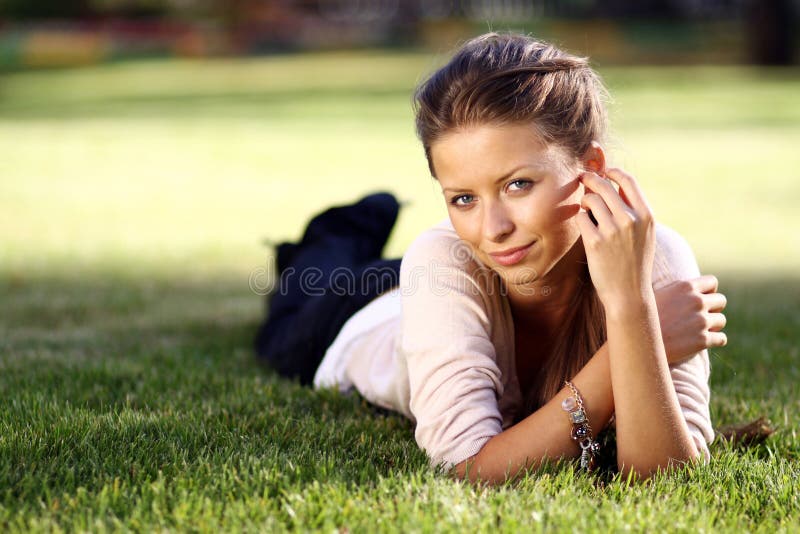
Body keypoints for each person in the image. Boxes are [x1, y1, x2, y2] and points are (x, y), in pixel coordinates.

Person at [255, 33, 728, 484]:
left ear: (592, 169)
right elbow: (468, 471)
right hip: (365, 314)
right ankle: (353, 222)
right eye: (463, 198)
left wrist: (630, 307)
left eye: (518, 184)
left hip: (452, 285)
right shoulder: (443, 253)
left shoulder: (653, 257)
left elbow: (664, 478)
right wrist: (631, 346)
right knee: (303, 289)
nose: (493, 227)